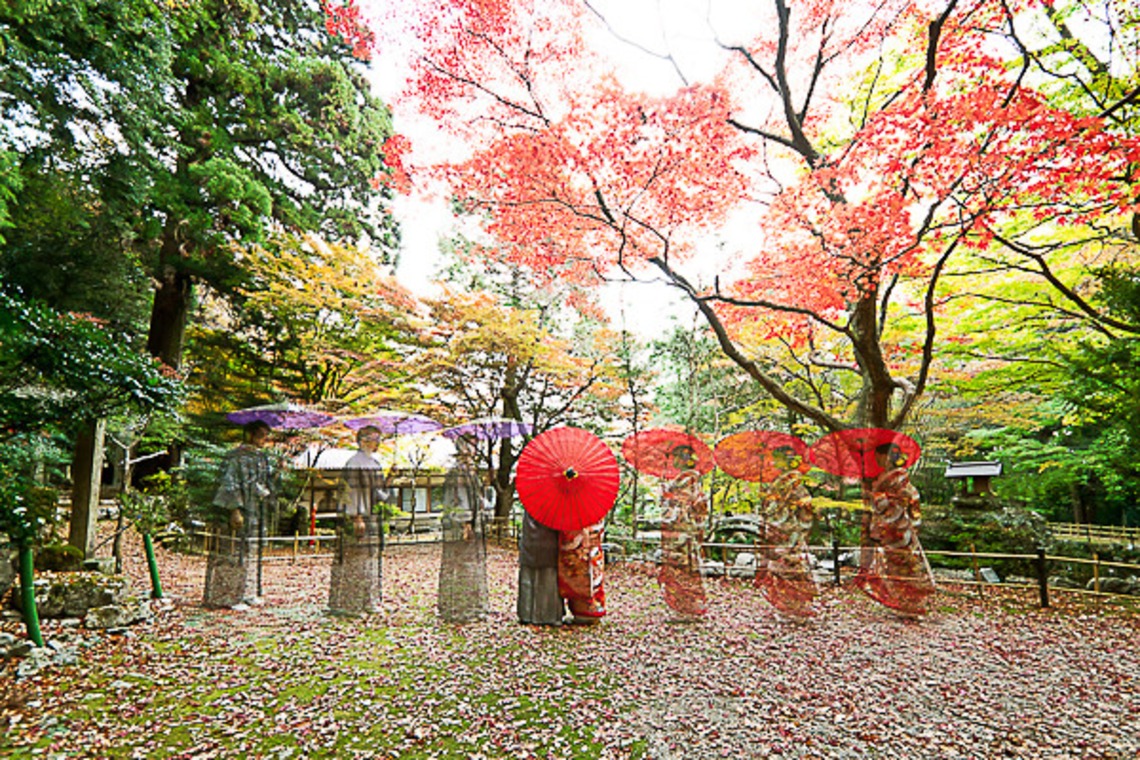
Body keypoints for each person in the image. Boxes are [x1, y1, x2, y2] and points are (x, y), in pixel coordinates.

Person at [853, 442, 936, 617]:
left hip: (897, 528)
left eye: (878, 456)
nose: (876, 460)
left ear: (885, 456)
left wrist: (875, 498)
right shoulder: (887, 478)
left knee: (905, 565)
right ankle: (902, 603)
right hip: (890, 529)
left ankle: (912, 604)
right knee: (893, 567)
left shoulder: (897, 478)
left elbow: (905, 500)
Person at [204, 420, 278, 608]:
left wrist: (274, 478)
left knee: (251, 551)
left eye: (266, 435)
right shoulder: (235, 457)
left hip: (255, 511)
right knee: (233, 552)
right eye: (261, 435)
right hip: (238, 511)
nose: (265, 439)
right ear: (250, 435)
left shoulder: (261, 457)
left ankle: (248, 592)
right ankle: (229, 596)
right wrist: (234, 509)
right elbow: (229, 484)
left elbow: (263, 482)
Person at [755, 445, 817, 619]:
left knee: (793, 569)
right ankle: (788, 607)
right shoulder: (777, 485)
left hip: (790, 533)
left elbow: (805, 511)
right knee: (783, 570)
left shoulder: (794, 486)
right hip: (782, 533)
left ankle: (796, 607)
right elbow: (770, 510)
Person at [328, 426, 384, 615]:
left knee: (370, 559)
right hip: (358, 517)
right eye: (373, 438)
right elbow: (350, 491)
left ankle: (369, 600)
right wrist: (356, 516)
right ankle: (349, 603)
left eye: (378, 438)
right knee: (355, 559)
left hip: (372, 517)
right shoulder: (354, 463)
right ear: (362, 441)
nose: (377, 442)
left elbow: (379, 493)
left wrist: (391, 480)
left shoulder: (375, 463)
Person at [438, 436, 489, 623]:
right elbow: (458, 500)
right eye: (472, 446)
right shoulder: (459, 472)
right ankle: (461, 609)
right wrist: (466, 523)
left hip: (472, 523)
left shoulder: (469, 471)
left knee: (469, 565)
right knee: (462, 565)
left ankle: (471, 606)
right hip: (462, 525)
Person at [658, 445, 708, 618]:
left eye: (678, 457)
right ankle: (684, 605)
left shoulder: (689, 479)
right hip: (681, 530)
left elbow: (690, 505)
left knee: (684, 566)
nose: (676, 461)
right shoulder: (683, 480)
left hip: (683, 529)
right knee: (681, 566)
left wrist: (669, 499)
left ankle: (688, 606)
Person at [517, 511, 564, 625]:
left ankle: (527, 614)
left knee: (529, 579)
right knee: (548, 581)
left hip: (530, 544)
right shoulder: (554, 506)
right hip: (549, 544)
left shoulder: (531, 502)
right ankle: (549, 615)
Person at [558, 520, 606, 623]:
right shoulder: (596, 509)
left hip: (580, 541)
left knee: (580, 576)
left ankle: (584, 612)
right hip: (589, 543)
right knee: (584, 575)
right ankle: (590, 610)